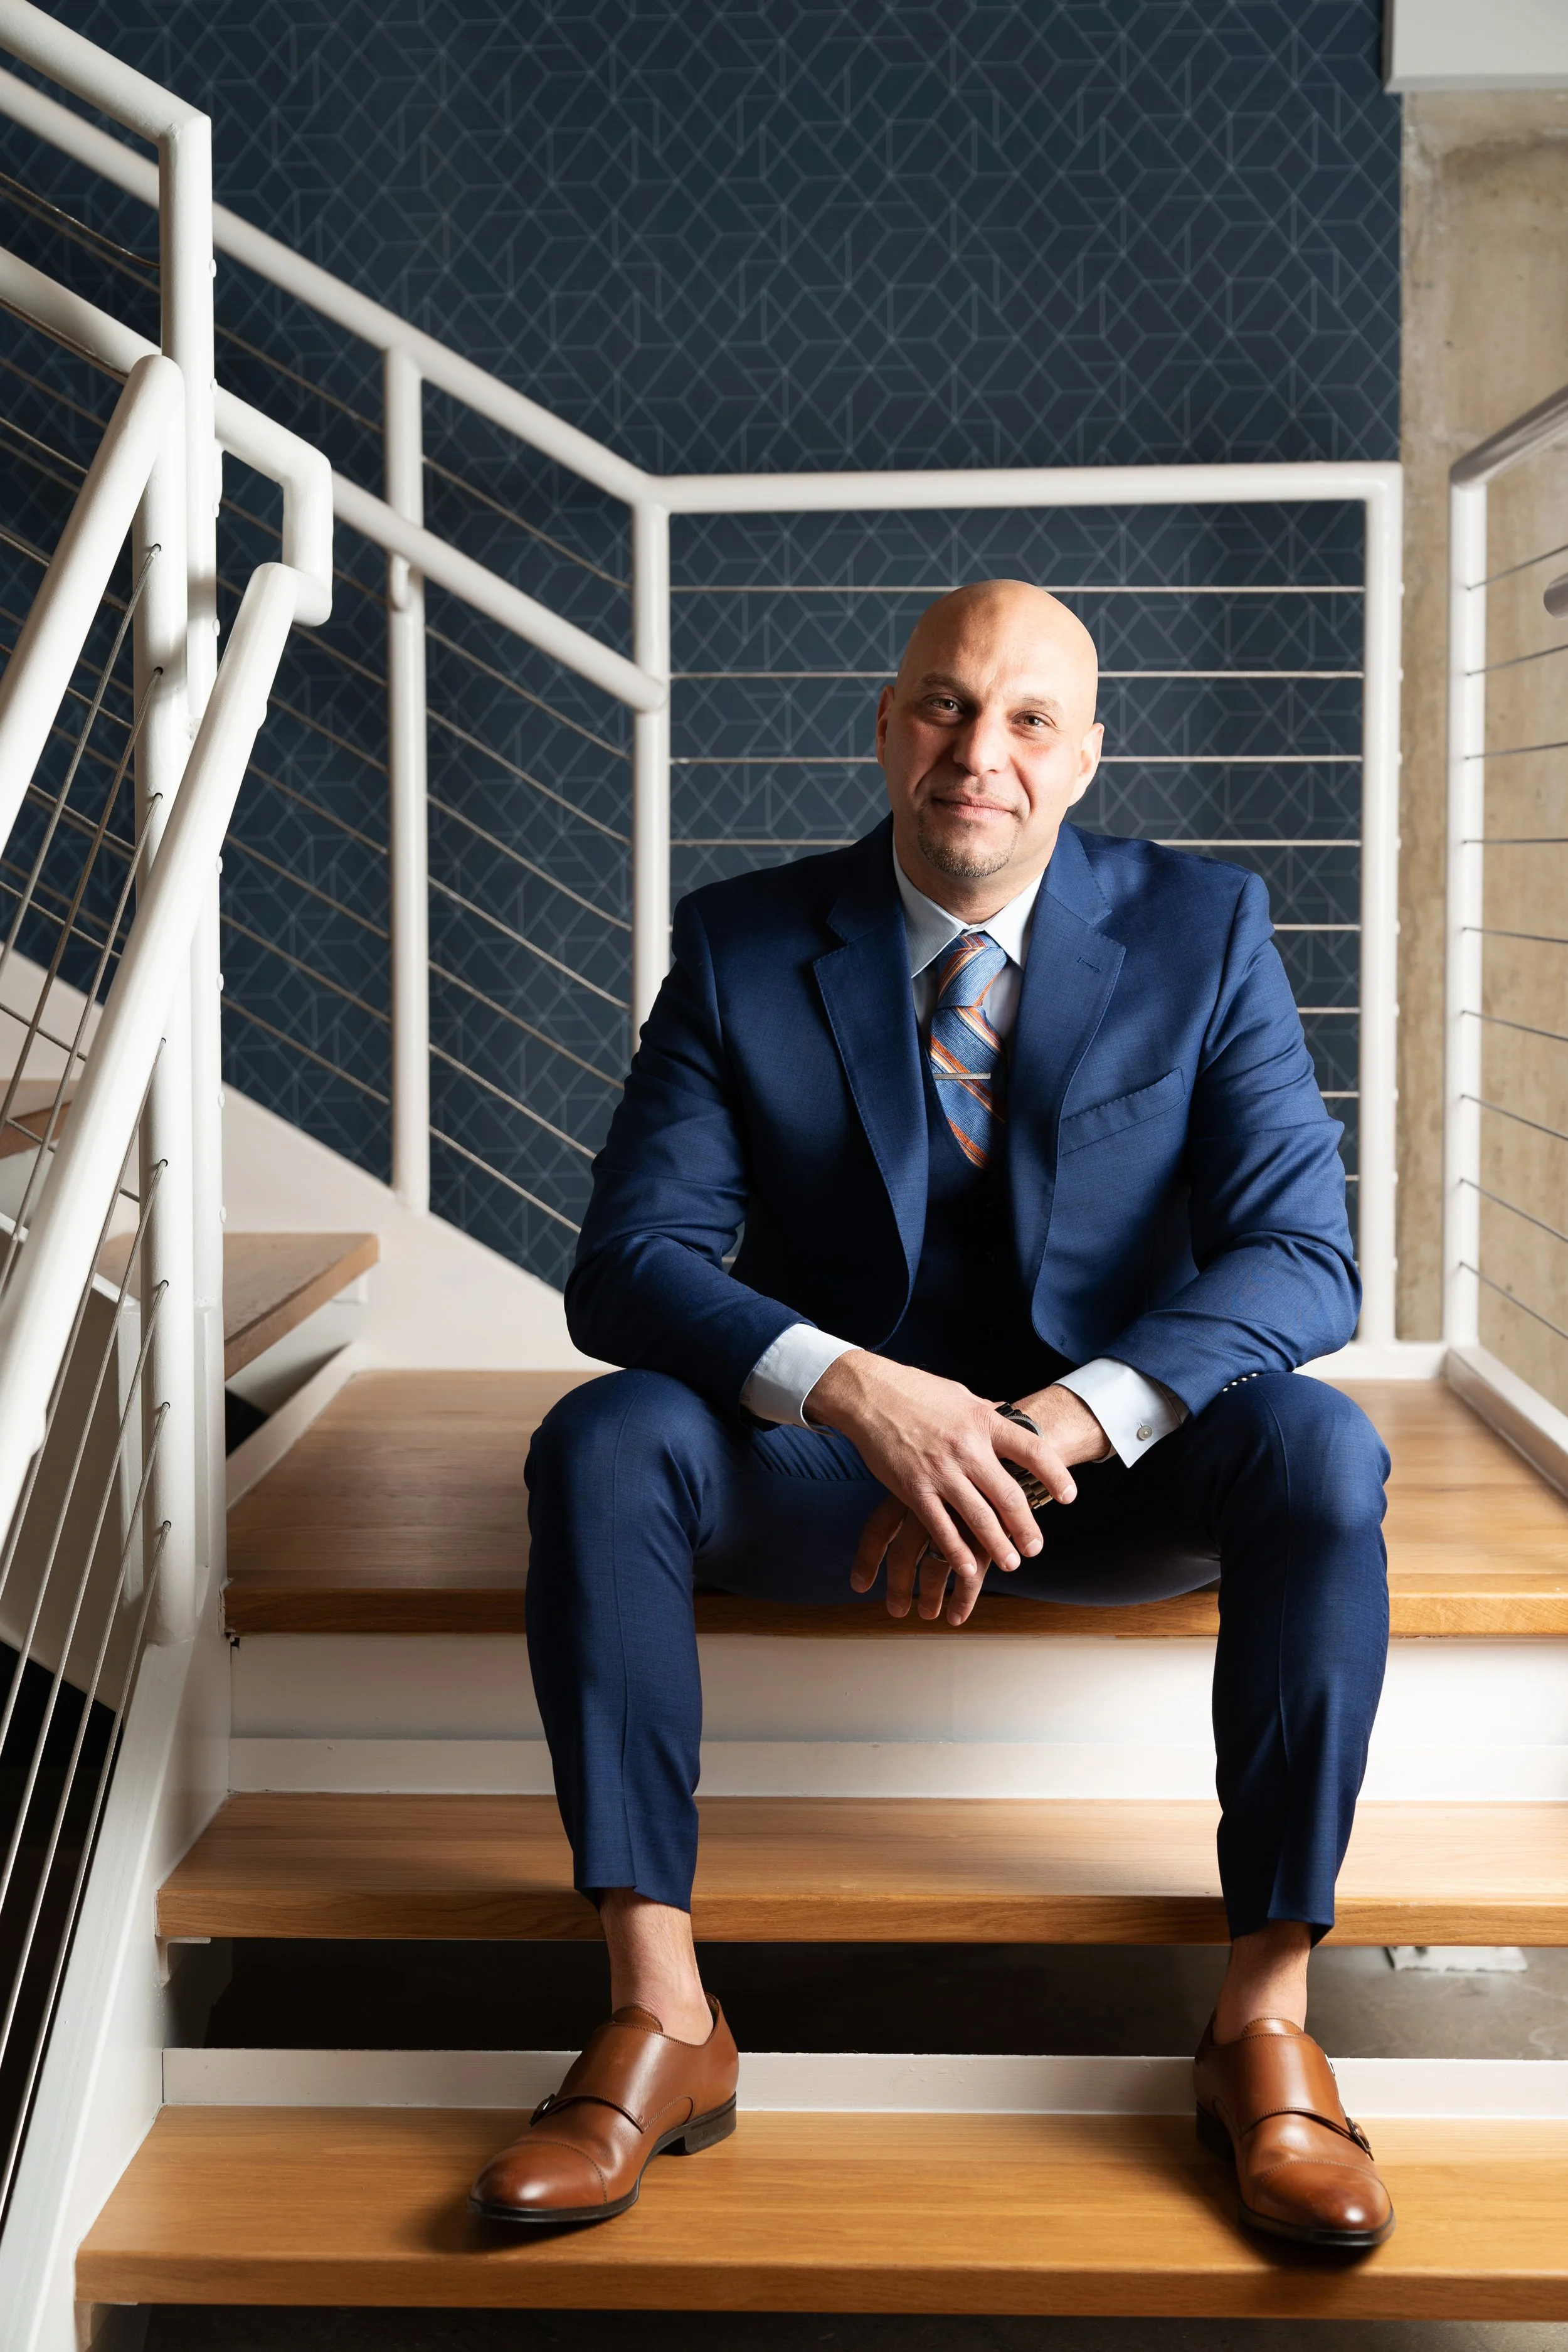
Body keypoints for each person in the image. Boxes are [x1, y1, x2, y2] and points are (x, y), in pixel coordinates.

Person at [468, 580, 1394, 2250]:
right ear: (887, 724)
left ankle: (1263, 2017)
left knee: (1323, 1448)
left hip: (1106, 1475)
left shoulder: (1205, 927)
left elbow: (1302, 1256)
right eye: (946, 706)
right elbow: (629, 1262)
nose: (981, 752)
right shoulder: (744, 942)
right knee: (603, 1442)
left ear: (1086, 756)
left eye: (1029, 718)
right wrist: (857, 1394)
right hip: (834, 1475)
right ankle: (661, 2011)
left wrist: (1051, 1425)